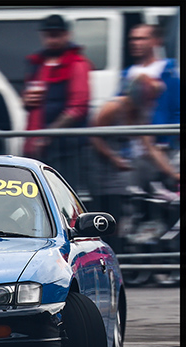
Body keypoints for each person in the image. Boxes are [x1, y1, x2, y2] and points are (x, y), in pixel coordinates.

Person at [89, 74, 180, 253]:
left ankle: (118, 254)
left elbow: (150, 148)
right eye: (151, 99)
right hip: (100, 166)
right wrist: (113, 157)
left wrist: (173, 173)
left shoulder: (139, 113)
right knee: (107, 215)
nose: (153, 104)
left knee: (120, 214)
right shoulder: (114, 107)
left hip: (118, 170)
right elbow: (93, 135)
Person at [22, 14, 91, 189]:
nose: (52, 39)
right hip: (38, 147)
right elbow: (29, 102)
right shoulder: (37, 63)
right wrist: (26, 101)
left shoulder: (77, 64)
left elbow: (78, 107)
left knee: (63, 195)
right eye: (48, 35)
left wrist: (48, 134)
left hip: (66, 149)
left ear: (67, 35)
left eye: (56, 34)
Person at [121, 24, 180, 150]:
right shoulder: (127, 74)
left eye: (142, 38)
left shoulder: (169, 72)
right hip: (135, 150)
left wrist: (169, 140)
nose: (135, 43)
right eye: (132, 39)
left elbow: (178, 109)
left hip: (162, 146)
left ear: (156, 41)